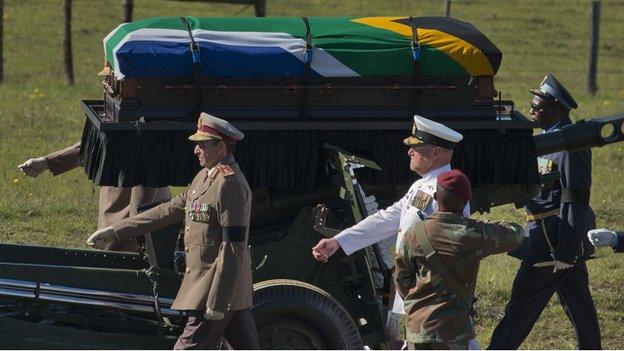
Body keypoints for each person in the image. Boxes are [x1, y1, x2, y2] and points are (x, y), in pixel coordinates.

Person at [86, 112, 259, 350]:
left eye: (202, 145)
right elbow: (168, 210)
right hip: (221, 291)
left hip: (214, 291)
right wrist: (116, 230)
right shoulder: (203, 177)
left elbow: (233, 247)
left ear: (221, 147)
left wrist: (217, 302)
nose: (196, 151)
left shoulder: (229, 185)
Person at [312, 114, 472, 347]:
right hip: (413, 287)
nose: (409, 152)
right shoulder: (421, 186)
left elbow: (453, 244)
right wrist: (339, 241)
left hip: (433, 294)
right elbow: (387, 219)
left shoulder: (448, 190)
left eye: (416, 147)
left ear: (436, 152)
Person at [488, 74, 602, 349]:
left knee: (520, 310)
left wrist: (566, 251)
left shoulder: (570, 145)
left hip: (553, 241)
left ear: (555, 109)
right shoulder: (549, 140)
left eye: (536, 107)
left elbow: (575, 198)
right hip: (554, 238)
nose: (531, 112)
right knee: (578, 305)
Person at [396, 169, 524, 350]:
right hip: (453, 332)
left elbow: (401, 279)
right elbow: (516, 234)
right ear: (466, 202)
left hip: (418, 330)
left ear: (435, 197)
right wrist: (485, 225)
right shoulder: (474, 235)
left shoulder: (415, 233)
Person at [18, 142, 171, 252]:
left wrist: (133, 231)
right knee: (110, 249)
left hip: (144, 192)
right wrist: (47, 162)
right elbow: (97, 141)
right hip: (115, 190)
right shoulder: (119, 103)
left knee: (137, 251)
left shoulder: (151, 107)